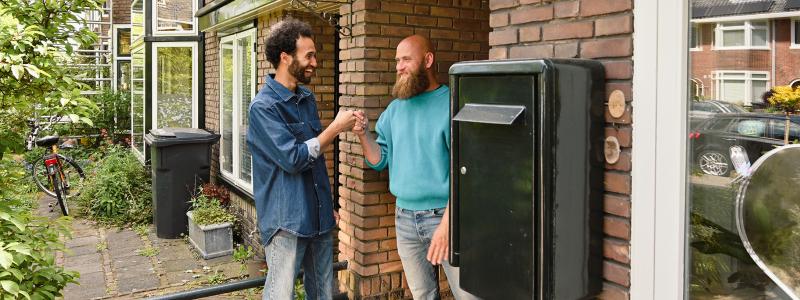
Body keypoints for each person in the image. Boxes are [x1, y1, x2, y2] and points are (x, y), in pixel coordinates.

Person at [353, 35, 477, 300]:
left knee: (468, 295)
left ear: (428, 60)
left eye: (406, 59)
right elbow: (379, 160)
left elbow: (467, 171)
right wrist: (364, 135)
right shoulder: (395, 109)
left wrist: (447, 225)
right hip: (405, 219)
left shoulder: (452, 104)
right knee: (423, 295)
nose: (398, 66)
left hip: (445, 217)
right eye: (397, 60)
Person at [246, 19, 356, 300]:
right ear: (285, 58)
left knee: (323, 294)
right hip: (286, 222)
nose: (315, 62)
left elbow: (315, 160)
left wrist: (325, 203)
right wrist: (334, 128)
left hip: (318, 217)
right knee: (280, 295)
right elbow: (293, 158)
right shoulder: (263, 108)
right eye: (308, 55)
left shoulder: (307, 98)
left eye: (315, 55)